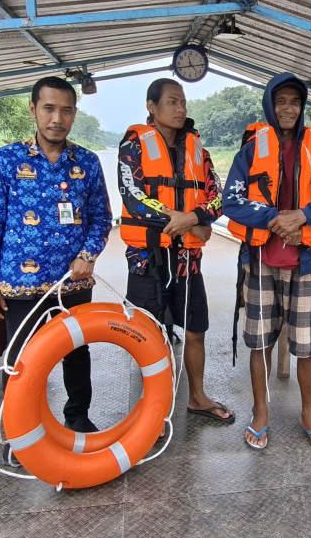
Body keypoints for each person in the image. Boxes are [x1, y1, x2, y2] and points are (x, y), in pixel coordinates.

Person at [0, 76, 112, 435]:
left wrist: (88, 254)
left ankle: (77, 418)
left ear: (74, 114)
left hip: (73, 284)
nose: (57, 119)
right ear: (33, 109)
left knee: (76, 354)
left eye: (66, 111)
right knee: (22, 361)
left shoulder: (87, 162)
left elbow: (101, 218)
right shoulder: (6, 160)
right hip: (20, 285)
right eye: (49, 109)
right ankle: (19, 433)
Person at [224, 73, 311, 452]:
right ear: (269, 105)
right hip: (262, 261)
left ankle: (309, 414)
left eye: (295, 101)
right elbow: (231, 200)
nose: (288, 108)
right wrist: (277, 220)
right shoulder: (250, 150)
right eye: (281, 101)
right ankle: (260, 413)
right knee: (260, 343)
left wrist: (305, 217)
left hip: (306, 263)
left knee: (308, 346)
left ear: (302, 106)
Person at [117, 78, 234, 425]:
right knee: (147, 337)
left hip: (187, 261)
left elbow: (218, 197)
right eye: (172, 101)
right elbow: (133, 196)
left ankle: (197, 398)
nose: (180, 108)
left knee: (196, 330)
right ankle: (151, 410)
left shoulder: (199, 151)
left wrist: (195, 218)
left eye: (183, 102)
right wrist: (185, 222)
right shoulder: (133, 146)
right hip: (147, 260)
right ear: (151, 107)